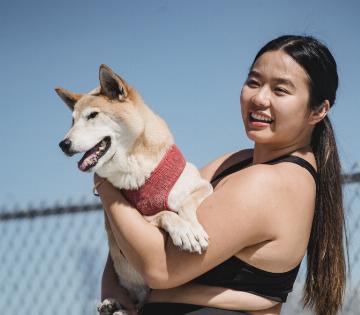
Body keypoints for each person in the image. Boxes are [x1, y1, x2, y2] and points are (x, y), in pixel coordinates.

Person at [97, 35, 346, 315]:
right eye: (254, 82)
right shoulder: (238, 162)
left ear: (318, 110)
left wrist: (104, 183)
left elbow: (159, 267)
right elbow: (146, 206)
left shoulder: (268, 183)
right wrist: (114, 280)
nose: (260, 98)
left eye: (280, 90)